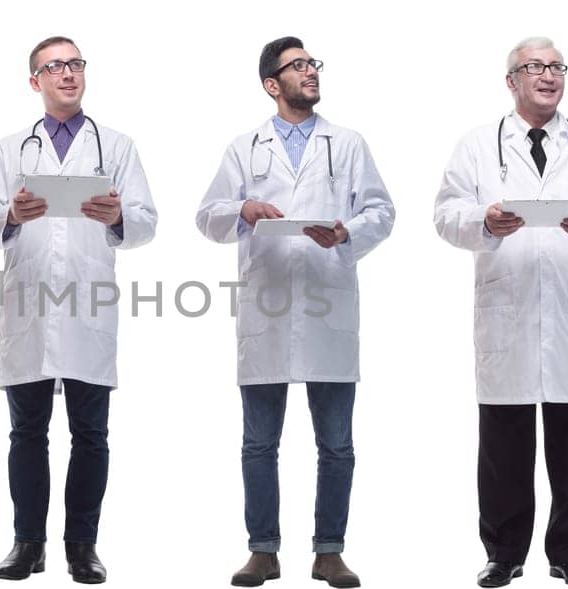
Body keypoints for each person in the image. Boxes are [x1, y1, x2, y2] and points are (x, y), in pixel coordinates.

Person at [196, 36, 393, 589]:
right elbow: (208, 215)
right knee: (259, 443)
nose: (310, 71)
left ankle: (329, 552)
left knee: (336, 444)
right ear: (271, 84)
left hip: (328, 301)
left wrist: (346, 230)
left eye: (313, 63)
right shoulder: (245, 147)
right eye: (297, 65)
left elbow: (381, 209)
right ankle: (263, 551)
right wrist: (244, 208)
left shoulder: (347, 143)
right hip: (268, 307)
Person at [433, 37, 568, 589]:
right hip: (507, 310)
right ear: (511, 80)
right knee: (503, 445)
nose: (548, 75)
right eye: (535, 67)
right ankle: (503, 553)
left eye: (556, 66)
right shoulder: (477, 145)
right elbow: (446, 214)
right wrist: (483, 223)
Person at [0, 35, 158, 585]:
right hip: (28, 303)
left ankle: (82, 546)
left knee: (91, 433)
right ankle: (28, 544)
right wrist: (11, 213)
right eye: (55, 67)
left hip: (88, 303)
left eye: (75, 64)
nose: (68, 74)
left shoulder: (116, 146)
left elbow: (146, 221)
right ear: (36, 82)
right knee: (26, 433)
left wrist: (119, 215)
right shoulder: (9, 150)